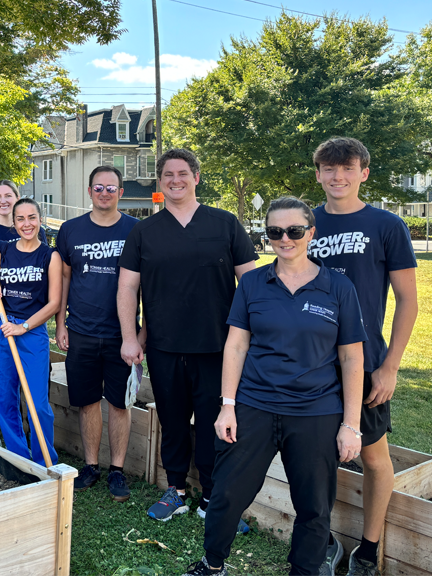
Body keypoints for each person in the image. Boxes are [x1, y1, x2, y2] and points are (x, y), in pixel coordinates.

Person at [184, 196, 366, 576]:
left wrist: (351, 424)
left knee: (314, 505)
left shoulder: (338, 287)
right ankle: (212, 563)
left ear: (311, 233)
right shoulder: (252, 283)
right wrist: (228, 405)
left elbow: (351, 358)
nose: (285, 238)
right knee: (228, 493)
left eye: (294, 231)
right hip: (254, 405)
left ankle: (305, 569)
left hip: (316, 410)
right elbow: (236, 345)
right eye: (275, 232)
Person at [117, 148, 257, 525]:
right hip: (163, 347)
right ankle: (176, 490)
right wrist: (131, 337)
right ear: (159, 182)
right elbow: (128, 288)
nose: (175, 180)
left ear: (197, 177)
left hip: (217, 347)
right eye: (168, 175)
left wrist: (254, 335)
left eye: (183, 173)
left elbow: (252, 284)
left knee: (217, 423)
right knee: (173, 422)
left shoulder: (226, 224)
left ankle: (213, 497)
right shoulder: (143, 231)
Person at [308, 137, 418, 576]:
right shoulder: (304, 222)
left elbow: (408, 300)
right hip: (311, 363)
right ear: (317, 174)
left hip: (367, 362)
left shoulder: (387, 225)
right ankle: (326, 541)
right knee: (315, 458)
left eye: (347, 168)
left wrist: (390, 365)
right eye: (329, 169)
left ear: (363, 173)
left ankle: (368, 550)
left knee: (372, 456)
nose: (338, 177)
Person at [54, 166, 139, 502]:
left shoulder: (136, 230)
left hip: (122, 334)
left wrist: (139, 332)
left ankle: (117, 470)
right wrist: (61, 323)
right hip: (81, 331)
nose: (105, 193)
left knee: (120, 404)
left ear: (120, 192)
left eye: (111, 188)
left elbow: (144, 283)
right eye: (99, 187)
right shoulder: (70, 230)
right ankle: (91, 466)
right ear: (89, 191)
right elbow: (64, 279)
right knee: (87, 402)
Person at [0, 198, 61, 467]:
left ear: (40, 220)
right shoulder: (2, 251)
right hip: (2, 326)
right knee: (4, 395)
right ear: (14, 222)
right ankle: (19, 458)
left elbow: (53, 303)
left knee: (37, 402)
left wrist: (24, 326)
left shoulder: (50, 256)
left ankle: (44, 461)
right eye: (20, 219)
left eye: (32, 218)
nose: (26, 224)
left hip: (31, 330)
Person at [0, 180, 47, 354]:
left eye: (8, 196)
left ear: (17, 198)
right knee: (1, 372)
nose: (3, 201)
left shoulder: (34, 230)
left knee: (35, 374)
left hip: (32, 313)